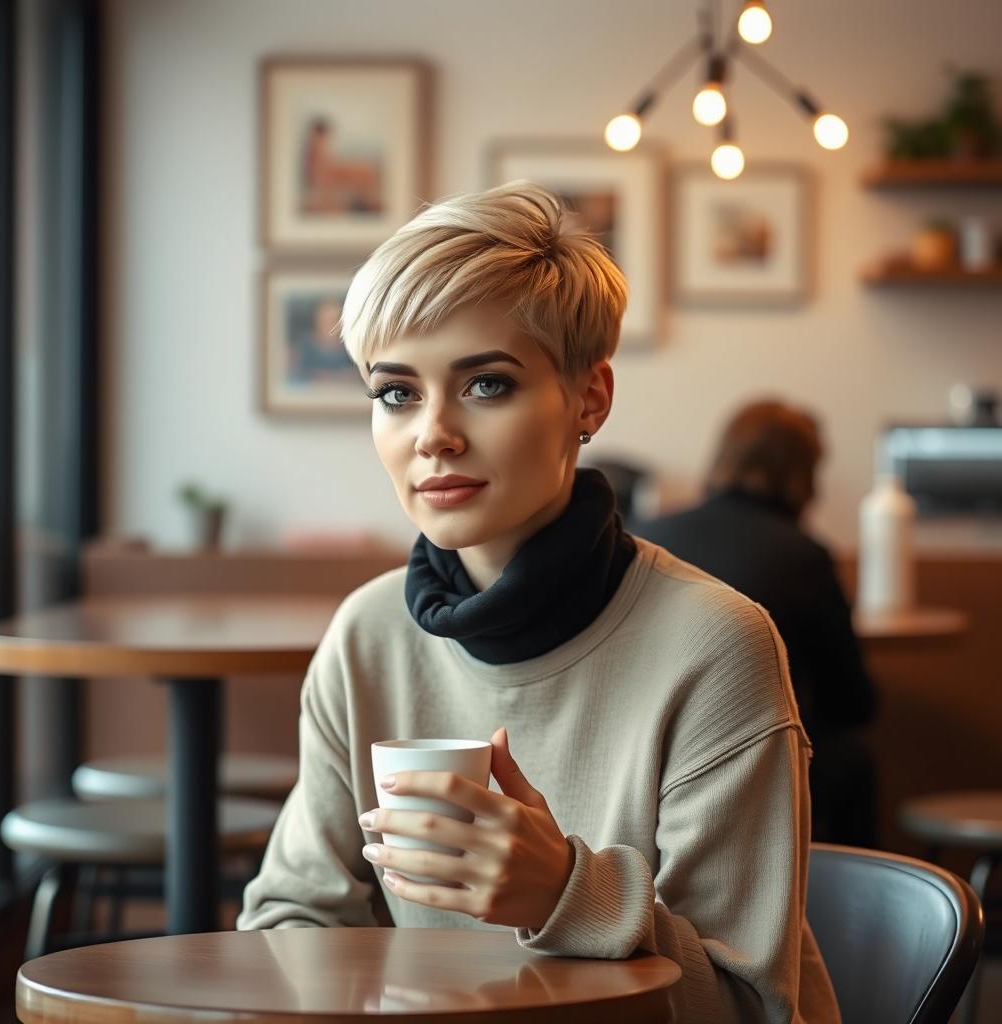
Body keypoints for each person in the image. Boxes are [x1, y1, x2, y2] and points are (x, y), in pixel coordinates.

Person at [237, 183, 840, 1023]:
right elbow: (290, 923)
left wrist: (564, 891)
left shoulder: (716, 645)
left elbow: (749, 1008)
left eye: (485, 385)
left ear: (589, 398)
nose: (432, 433)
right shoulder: (367, 636)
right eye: (396, 392)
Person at [633, 400, 878, 847]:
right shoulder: (803, 555)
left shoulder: (645, 537)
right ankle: (854, 904)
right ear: (803, 475)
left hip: (648, 762)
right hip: (765, 768)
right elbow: (851, 702)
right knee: (854, 764)